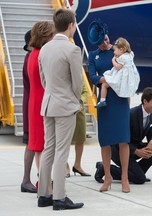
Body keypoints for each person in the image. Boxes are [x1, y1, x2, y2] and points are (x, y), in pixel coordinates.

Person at [37, 9, 84, 210]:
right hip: (65, 106)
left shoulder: (44, 49)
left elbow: (43, 80)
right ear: (71, 25)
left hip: (48, 104)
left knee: (48, 149)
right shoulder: (72, 50)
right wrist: (75, 101)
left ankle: (44, 195)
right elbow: (77, 83)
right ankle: (59, 197)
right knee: (61, 152)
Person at [88, 19, 130, 193]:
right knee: (105, 141)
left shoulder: (120, 51)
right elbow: (92, 76)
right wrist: (106, 80)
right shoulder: (93, 55)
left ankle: (125, 178)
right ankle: (107, 176)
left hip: (120, 98)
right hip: (104, 100)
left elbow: (129, 70)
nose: (106, 43)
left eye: (106, 39)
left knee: (123, 140)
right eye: (102, 42)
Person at [94, 87, 152, 184]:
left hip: (135, 147)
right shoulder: (131, 114)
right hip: (119, 150)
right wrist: (136, 151)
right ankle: (104, 168)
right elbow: (118, 139)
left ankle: (137, 173)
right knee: (139, 179)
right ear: (145, 101)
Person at [27, 21, 55, 182]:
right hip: (43, 100)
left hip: (35, 100)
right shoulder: (42, 54)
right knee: (45, 143)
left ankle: (43, 178)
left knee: (39, 144)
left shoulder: (33, 54)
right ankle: (45, 180)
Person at [96, 37, 140, 108]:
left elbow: (118, 67)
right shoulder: (130, 55)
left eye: (115, 50)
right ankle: (127, 106)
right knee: (127, 93)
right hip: (129, 78)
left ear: (121, 49)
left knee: (104, 84)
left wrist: (113, 60)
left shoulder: (122, 58)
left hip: (121, 77)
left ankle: (102, 100)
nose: (114, 52)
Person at [20, 29, 37, 193]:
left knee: (31, 144)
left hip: (29, 103)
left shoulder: (28, 57)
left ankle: (27, 179)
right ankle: (26, 179)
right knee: (32, 144)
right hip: (32, 105)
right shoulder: (31, 58)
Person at [66, 84, 91, 178]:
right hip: (66, 109)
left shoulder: (79, 72)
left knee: (81, 138)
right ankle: (65, 166)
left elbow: (84, 91)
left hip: (79, 110)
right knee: (65, 140)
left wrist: (80, 102)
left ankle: (77, 165)